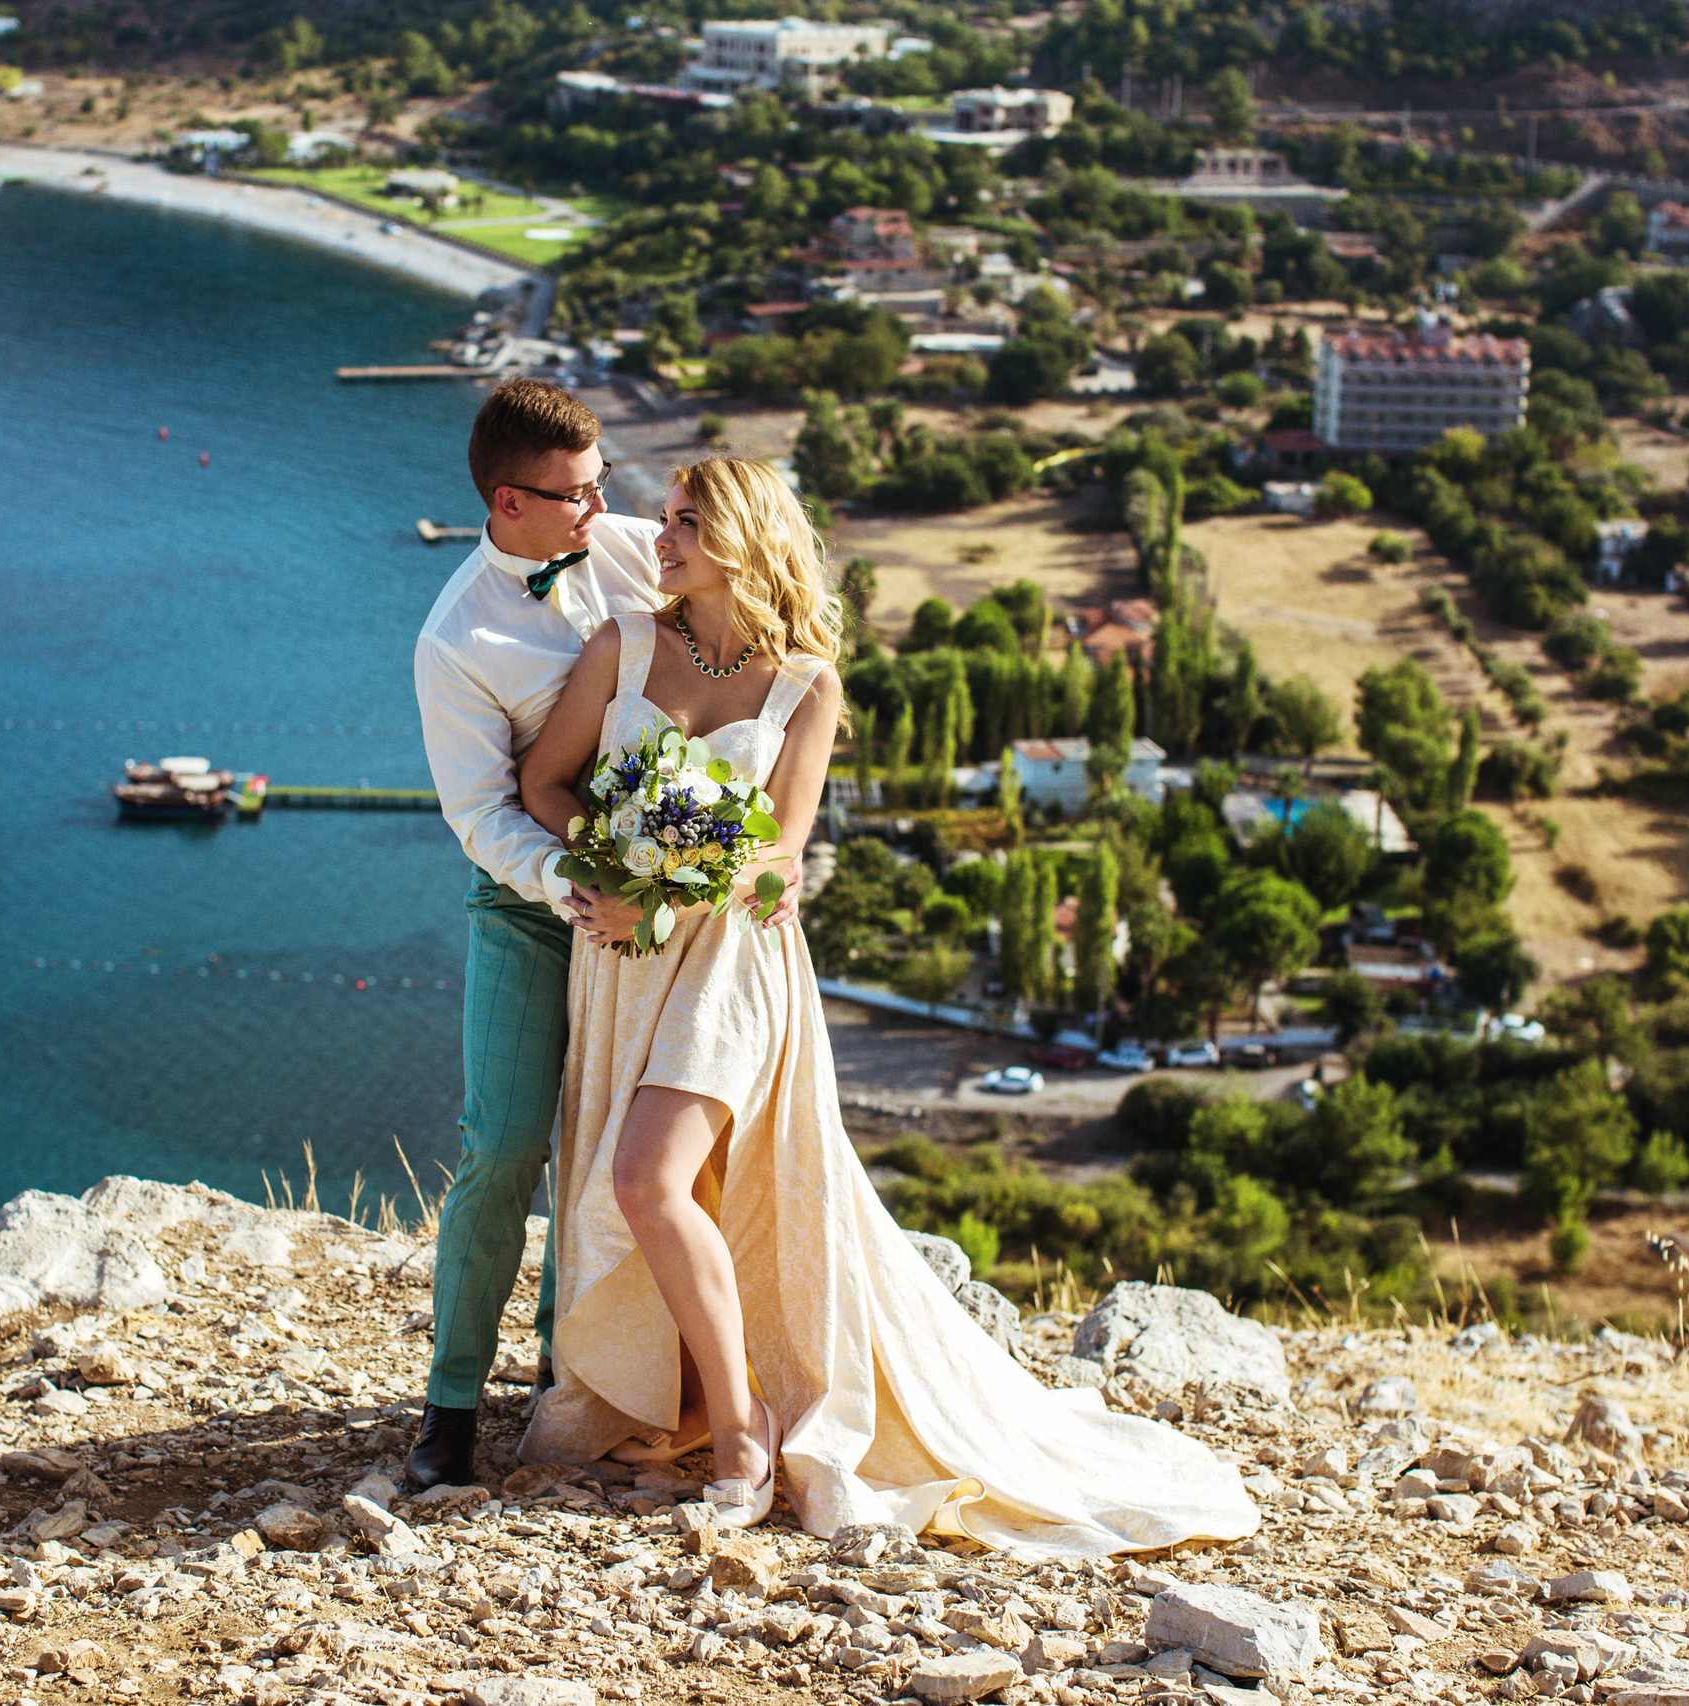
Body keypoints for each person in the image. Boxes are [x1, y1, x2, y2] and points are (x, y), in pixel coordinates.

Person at [512, 457, 1260, 1555]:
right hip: (627, 952)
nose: (656, 536)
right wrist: (611, 871)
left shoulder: (807, 683)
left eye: (681, 519)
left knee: (647, 1177)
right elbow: (544, 783)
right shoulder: (621, 645)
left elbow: (780, 852)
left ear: (742, 533)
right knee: (667, 1189)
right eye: (663, 516)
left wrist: (701, 871)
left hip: (734, 963)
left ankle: (742, 1435)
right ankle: (692, 1398)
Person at [407, 381, 801, 1490]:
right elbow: (483, 811)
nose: (607, 511)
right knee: (505, 1146)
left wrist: (751, 857)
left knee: (598, 1159)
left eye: (605, 483)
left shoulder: (639, 547)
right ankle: (447, 1405)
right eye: (579, 494)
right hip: (538, 905)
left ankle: (562, 1385)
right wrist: (582, 884)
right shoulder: (455, 638)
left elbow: (757, 642)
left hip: (670, 921)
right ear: (508, 499)